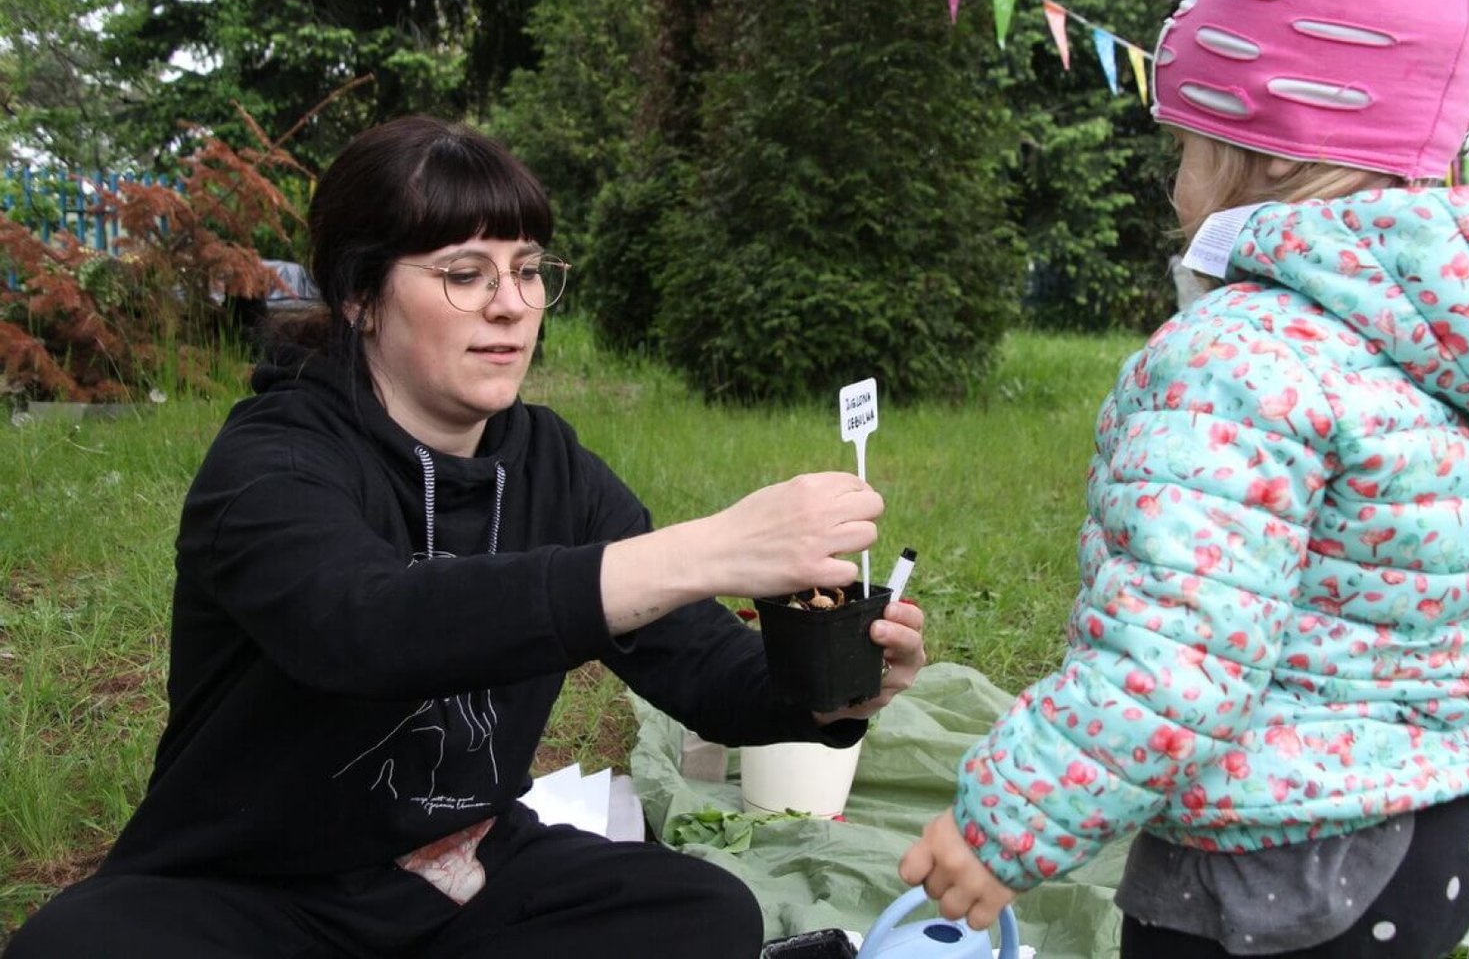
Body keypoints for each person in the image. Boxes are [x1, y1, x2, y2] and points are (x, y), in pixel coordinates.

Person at [898, 0, 1469, 956]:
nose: (1174, 184)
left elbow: (1173, 661)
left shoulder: (1237, 356)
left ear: (1268, 152)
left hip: (1275, 876)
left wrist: (1003, 826)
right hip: (1438, 841)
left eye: (1186, 146)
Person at [5, 116, 926, 959]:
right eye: (464, 273)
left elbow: (701, 670)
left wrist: (832, 690)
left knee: (704, 912)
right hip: (254, 890)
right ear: (361, 294)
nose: (511, 305)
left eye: (528, 270)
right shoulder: (275, 460)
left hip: (458, 871)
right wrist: (709, 550)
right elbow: (361, 626)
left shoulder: (551, 467)